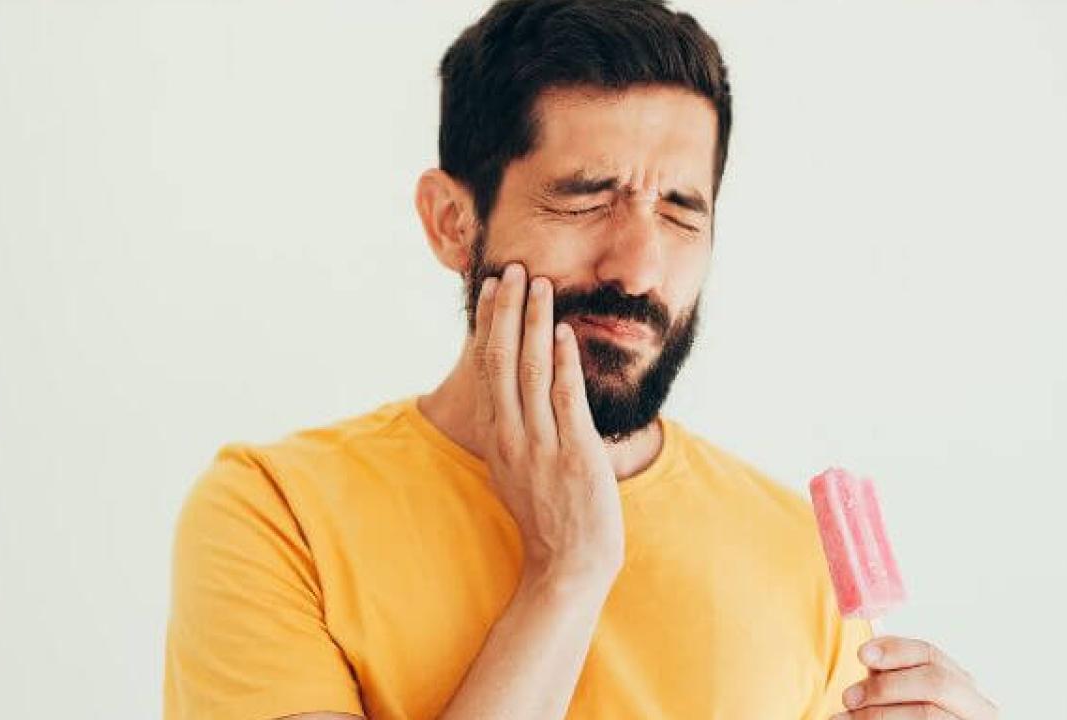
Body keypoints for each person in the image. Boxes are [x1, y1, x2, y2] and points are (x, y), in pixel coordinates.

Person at [163, 1, 997, 717]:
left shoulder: (801, 556)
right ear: (453, 222)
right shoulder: (278, 515)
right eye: (586, 196)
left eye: (680, 211)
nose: (637, 267)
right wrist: (566, 574)